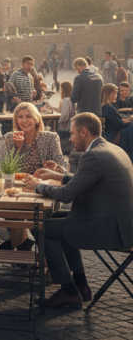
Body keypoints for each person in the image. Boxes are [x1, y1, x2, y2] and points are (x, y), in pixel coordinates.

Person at [24, 113, 133, 308]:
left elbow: (66, 195)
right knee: (57, 217)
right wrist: (58, 176)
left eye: (72, 133)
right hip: (117, 222)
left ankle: (69, 292)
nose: (70, 139)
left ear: (84, 132)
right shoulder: (110, 149)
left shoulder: (93, 156)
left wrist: (38, 186)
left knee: (41, 227)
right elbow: (88, 178)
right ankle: (81, 285)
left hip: (109, 228)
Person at [0, 103, 64, 250]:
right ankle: (24, 246)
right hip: (17, 190)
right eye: (20, 117)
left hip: (42, 190)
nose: (24, 121)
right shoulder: (10, 137)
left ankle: (19, 247)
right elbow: (6, 169)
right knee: (9, 208)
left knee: (14, 212)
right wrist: (17, 148)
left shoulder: (50, 137)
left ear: (36, 118)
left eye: (28, 116)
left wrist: (54, 168)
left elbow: (62, 169)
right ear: (16, 120)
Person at [57, 80, 76, 155]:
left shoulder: (66, 100)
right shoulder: (72, 99)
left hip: (65, 128)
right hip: (71, 126)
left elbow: (64, 116)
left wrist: (58, 122)